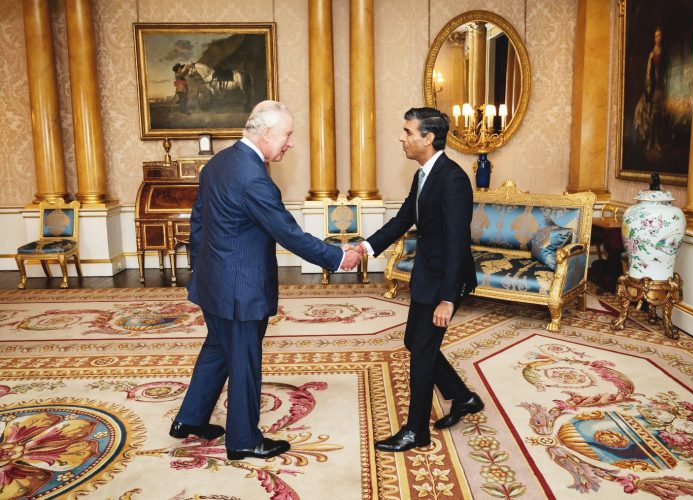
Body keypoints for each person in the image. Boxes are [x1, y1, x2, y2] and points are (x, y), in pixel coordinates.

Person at [169, 100, 361, 460]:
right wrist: (338, 256)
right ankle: (243, 440)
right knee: (243, 360)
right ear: (266, 133)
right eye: (287, 135)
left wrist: (202, 270)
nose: (290, 143)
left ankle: (190, 419)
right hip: (240, 288)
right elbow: (289, 234)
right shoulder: (253, 178)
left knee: (217, 349)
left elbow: (197, 223)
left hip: (214, 281)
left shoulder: (219, 162)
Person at [352, 107, 484, 452]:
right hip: (428, 273)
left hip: (445, 280)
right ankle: (463, 397)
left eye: (408, 132)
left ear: (428, 138)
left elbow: (458, 242)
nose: (402, 137)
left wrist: (449, 298)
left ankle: (416, 431)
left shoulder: (453, 179)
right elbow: (402, 220)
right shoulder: (424, 174)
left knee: (422, 350)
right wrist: (365, 247)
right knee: (416, 341)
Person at [633, 27, 666, 155]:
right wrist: (648, 90)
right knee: (652, 117)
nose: (658, 38)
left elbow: (666, 72)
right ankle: (650, 141)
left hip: (662, 89)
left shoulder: (664, 53)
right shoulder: (652, 55)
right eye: (656, 36)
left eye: (660, 36)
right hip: (653, 90)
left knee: (658, 117)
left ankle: (657, 141)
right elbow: (648, 74)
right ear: (654, 38)